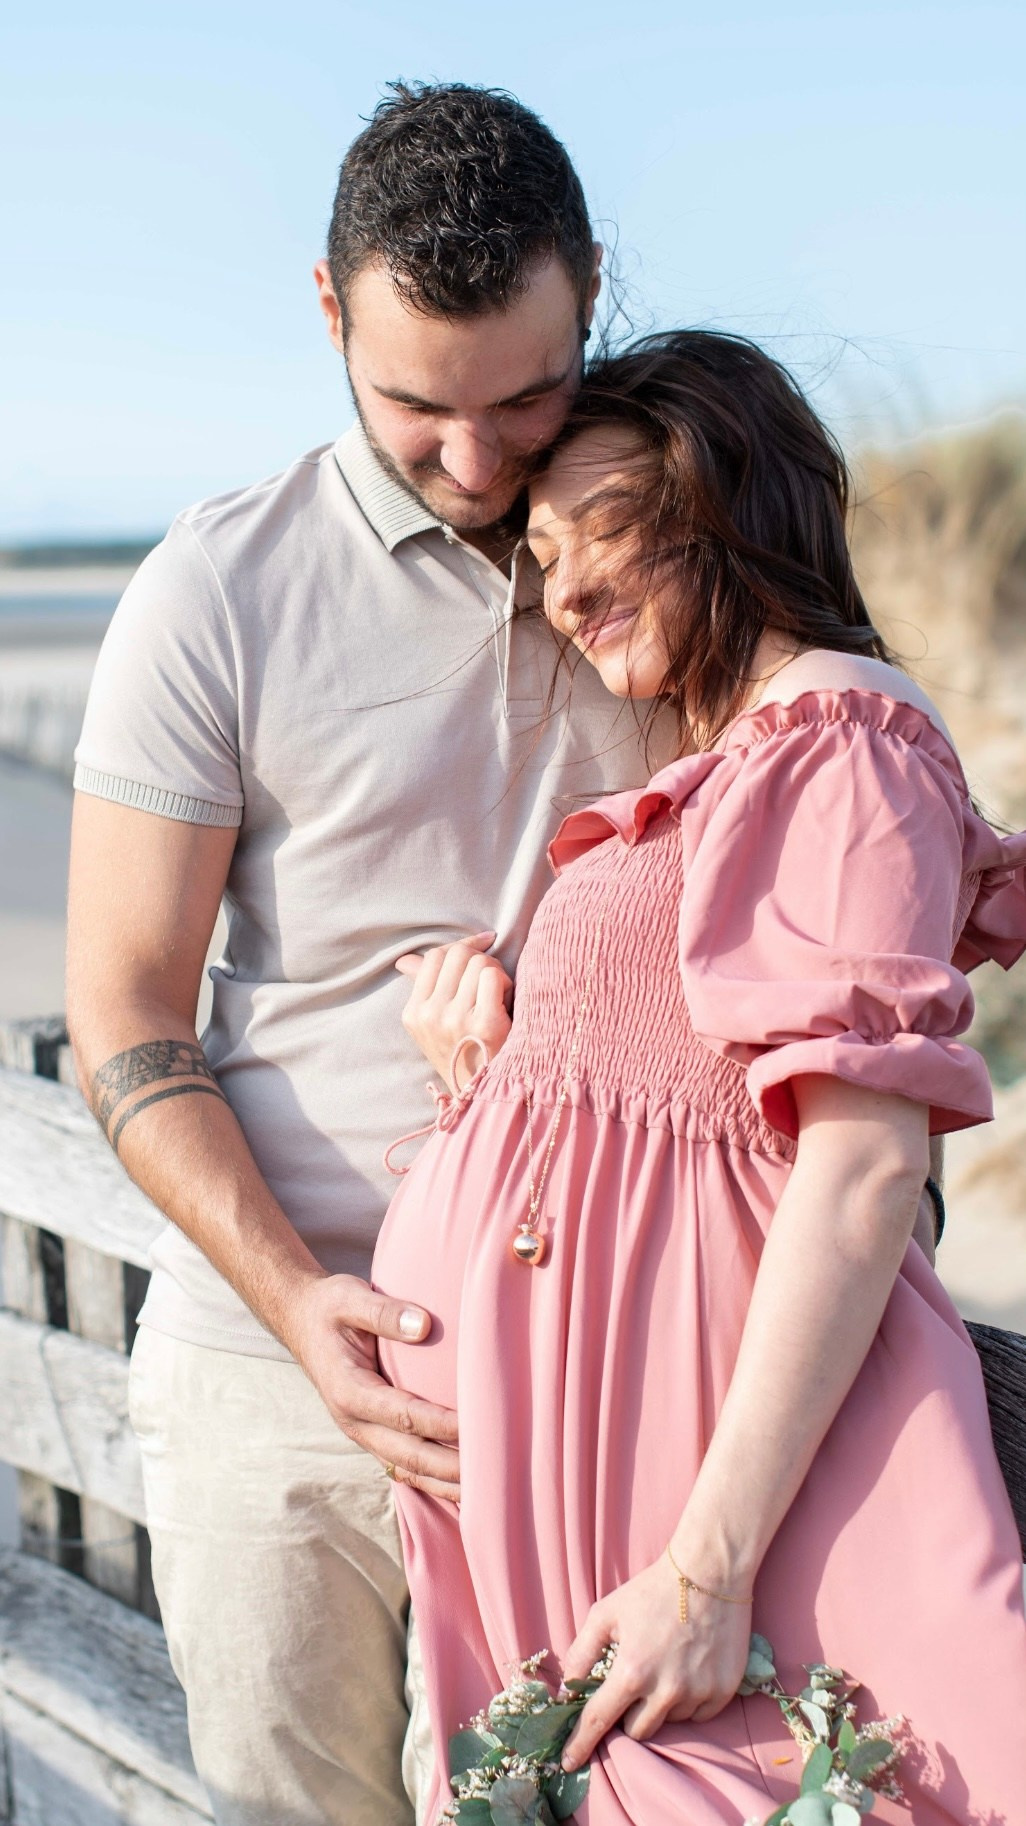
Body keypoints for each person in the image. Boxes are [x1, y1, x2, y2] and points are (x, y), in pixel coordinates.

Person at [64, 82, 681, 1826]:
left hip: (604, 1363)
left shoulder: (682, 558)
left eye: (529, 394)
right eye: (417, 405)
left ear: (591, 287)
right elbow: (123, 1009)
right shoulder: (216, 587)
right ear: (329, 314)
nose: (480, 465)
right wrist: (297, 1306)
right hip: (282, 1370)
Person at [374, 330, 1026, 1824]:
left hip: (707, 1508)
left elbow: (859, 1165)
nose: (566, 587)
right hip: (589, 1481)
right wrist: (489, 1065)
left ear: (736, 504)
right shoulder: (733, 762)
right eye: (537, 555)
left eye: (604, 530)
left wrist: (703, 1565)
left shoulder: (840, 741)